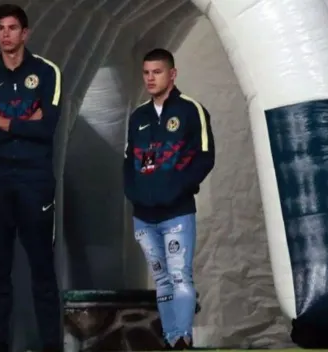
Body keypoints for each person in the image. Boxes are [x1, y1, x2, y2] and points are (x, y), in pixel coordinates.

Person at [0, 4, 62, 352]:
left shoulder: (47, 72)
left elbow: (48, 127)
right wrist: (26, 123)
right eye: (1, 28)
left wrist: (4, 123)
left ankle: (51, 345)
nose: (6, 34)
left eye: (12, 28)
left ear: (26, 33)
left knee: (42, 271)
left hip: (34, 182)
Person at [123, 48, 215, 350]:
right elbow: (128, 162)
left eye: (157, 72)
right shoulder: (138, 117)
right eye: (146, 73)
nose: (150, 78)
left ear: (172, 74)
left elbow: (205, 157)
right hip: (144, 217)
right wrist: (134, 193)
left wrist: (178, 188)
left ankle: (182, 339)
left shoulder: (191, 110)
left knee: (180, 277)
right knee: (161, 281)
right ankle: (171, 339)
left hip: (177, 213)